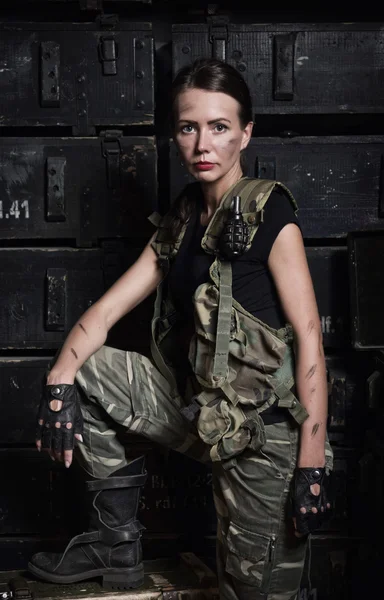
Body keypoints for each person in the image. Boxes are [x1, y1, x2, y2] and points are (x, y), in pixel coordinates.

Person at [30, 58, 333, 600]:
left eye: (219, 127)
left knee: (253, 592)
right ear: (176, 135)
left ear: (246, 133)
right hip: (199, 412)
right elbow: (104, 312)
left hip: (263, 439)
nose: (203, 144)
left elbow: (310, 341)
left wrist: (311, 467)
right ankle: (115, 545)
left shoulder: (271, 215)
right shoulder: (185, 218)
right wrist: (58, 380)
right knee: (87, 369)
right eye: (189, 127)